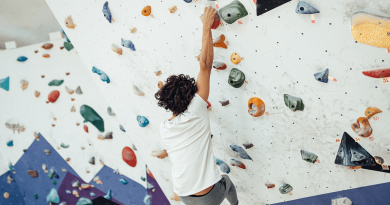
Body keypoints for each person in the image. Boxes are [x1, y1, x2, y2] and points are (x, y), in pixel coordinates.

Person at [155, 6, 239, 205]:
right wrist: (206, 27)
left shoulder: (164, 128)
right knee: (226, 182)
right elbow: (205, 65)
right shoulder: (196, 110)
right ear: (191, 97)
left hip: (183, 194)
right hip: (209, 197)